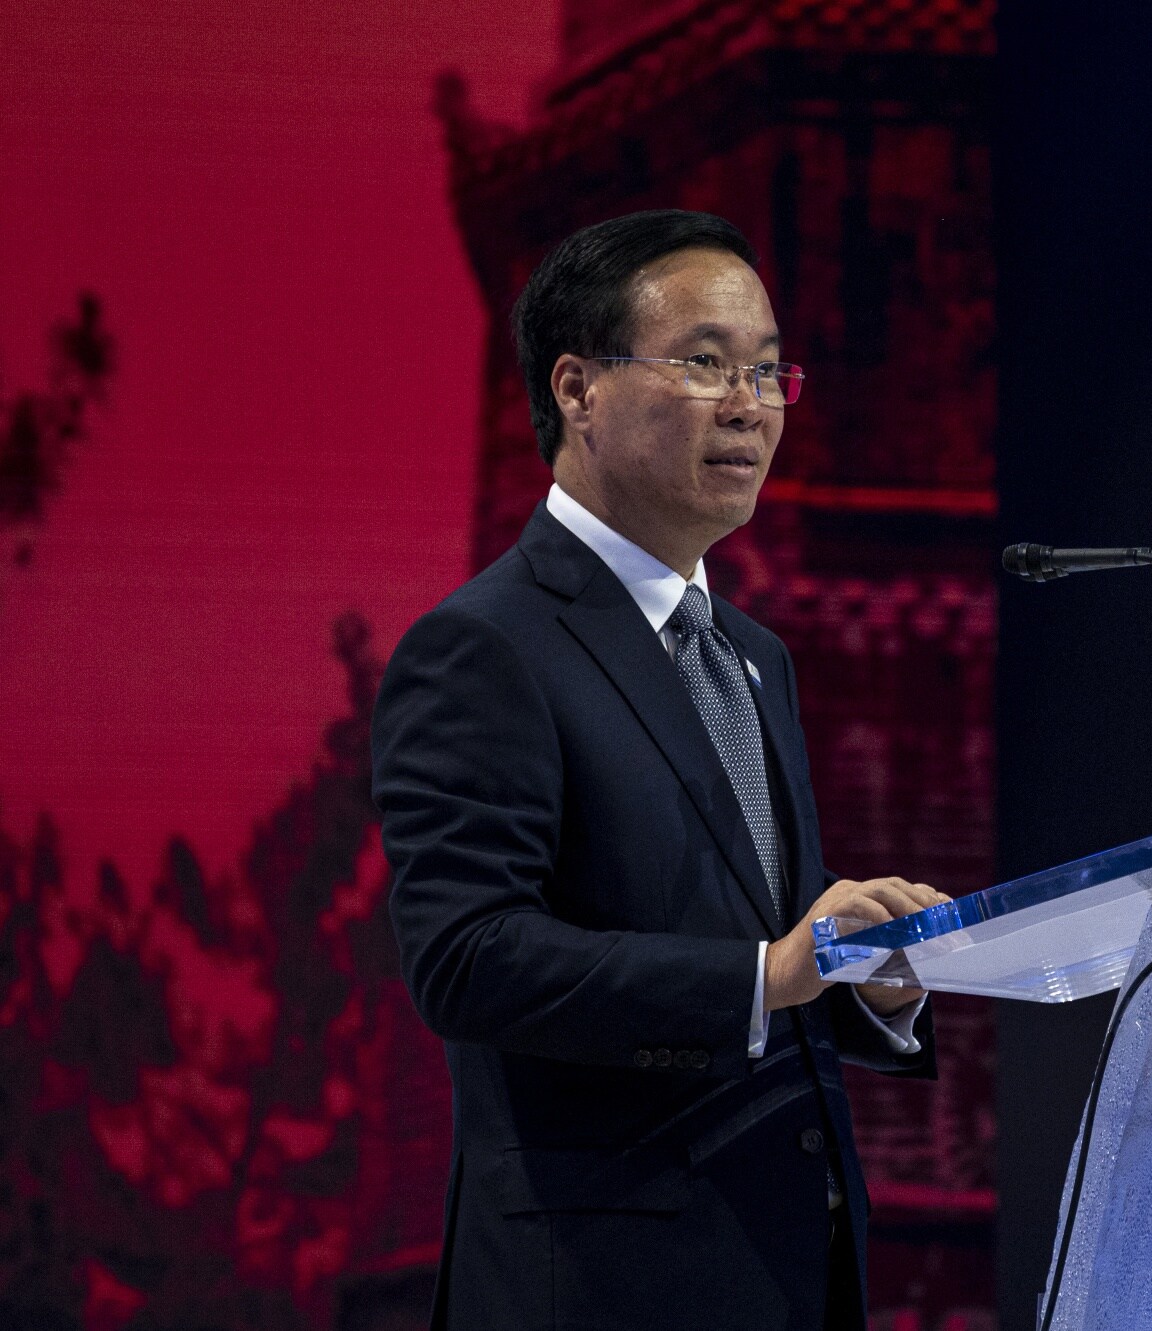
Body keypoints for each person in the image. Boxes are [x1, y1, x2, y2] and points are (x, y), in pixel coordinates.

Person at [372, 209, 943, 1331]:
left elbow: (768, 945)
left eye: (769, 371)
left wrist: (864, 981)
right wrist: (764, 974)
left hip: (788, 1274)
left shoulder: (753, 656)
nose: (750, 405)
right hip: (599, 1286)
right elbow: (466, 956)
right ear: (577, 388)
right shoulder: (485, 646)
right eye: (704, 363)